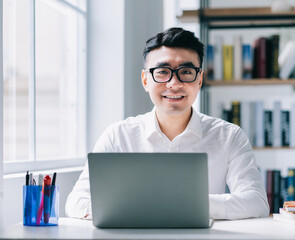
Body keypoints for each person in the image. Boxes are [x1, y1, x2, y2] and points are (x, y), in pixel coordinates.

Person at [65, 27, 269, 220]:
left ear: (199, 80)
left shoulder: (229, 136)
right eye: (162, 72)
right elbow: (76, 202)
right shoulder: (118, 136)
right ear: (145, 80)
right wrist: (148, 207)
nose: (174, 84)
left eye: (186, 72)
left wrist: (188, 205)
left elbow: (257, 202)